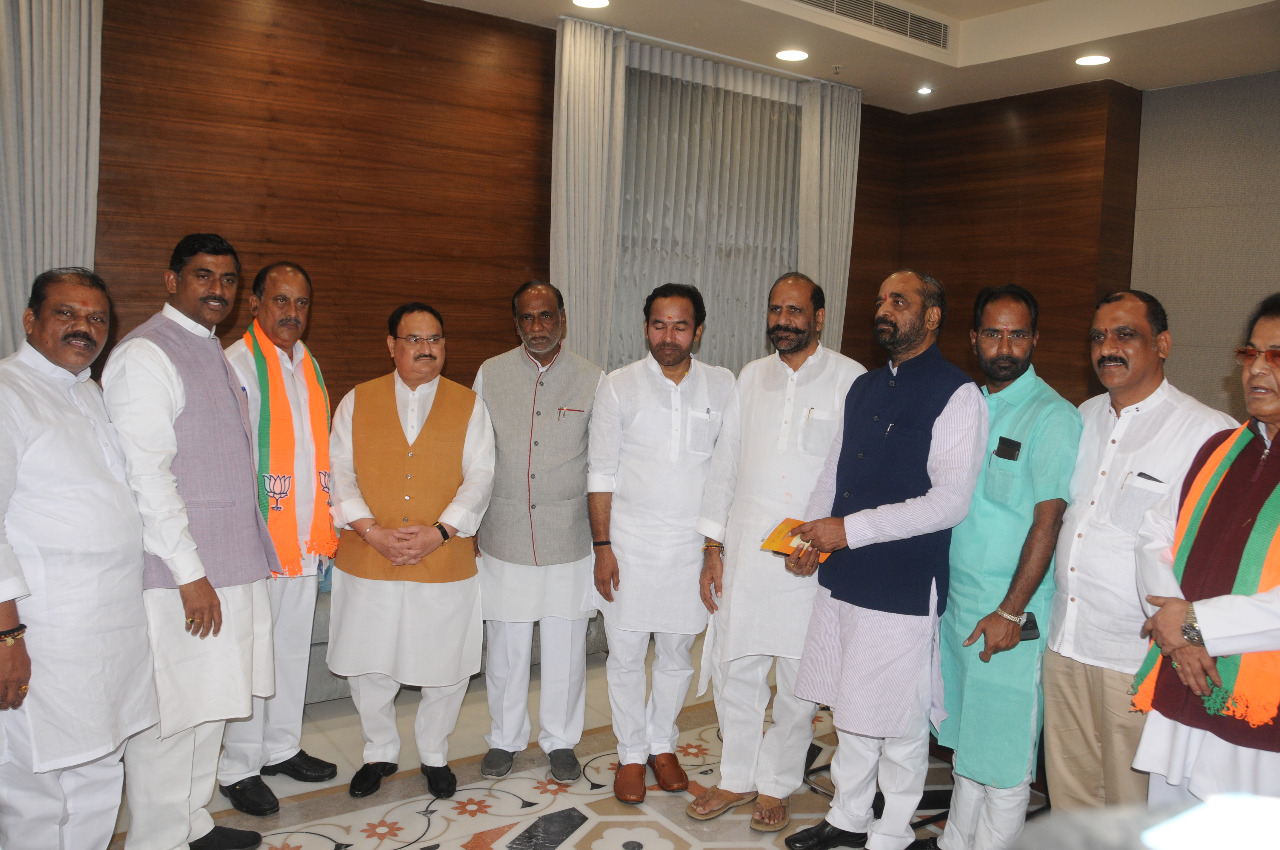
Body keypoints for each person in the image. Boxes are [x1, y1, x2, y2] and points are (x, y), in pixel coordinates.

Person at [784, 270, 988, 850]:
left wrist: (846, 531)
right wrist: (810, 540)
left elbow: (950, 502)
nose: (884, 309)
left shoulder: (957, 393)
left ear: (931, 317)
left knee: (896, 716)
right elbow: (835, 473)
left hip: (903, 582)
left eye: (899, 301)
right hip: (846, 573)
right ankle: (847, 818)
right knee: (851, 704)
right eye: (880, 300)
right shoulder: (865, 387)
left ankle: (892, 831)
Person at [104, 234, 277, 850]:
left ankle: (192, 825)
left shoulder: (215, 353)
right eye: (204, 276)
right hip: (181, 578)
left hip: (230, 565)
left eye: (229, 280)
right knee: (173, 719)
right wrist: (188, 573)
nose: (218, 290)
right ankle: (157, 839)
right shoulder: (145, 355)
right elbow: (146, 477)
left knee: (215, 706)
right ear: (171, 280)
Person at [1043, 290, 1234, 810]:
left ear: (1163, 344)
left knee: (1133, 809)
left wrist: (1194, 637)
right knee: (1072, 801)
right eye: (1099, 336)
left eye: (1125, 334)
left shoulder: (1208, 433)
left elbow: (1219, 561)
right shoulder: (1080, 418)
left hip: (1140, 656)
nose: (1109, 347)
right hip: (1067, 642)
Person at [690, 272, 865, 832]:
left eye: (794, 311)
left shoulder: (849, 379)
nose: (782, 320)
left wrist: (828, 544)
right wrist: (712, 547)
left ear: (818, 317)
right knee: (736, 669)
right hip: (744, 550)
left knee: (797, 679)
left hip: (811, 557)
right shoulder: (752, 376)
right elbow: (725, 464)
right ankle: (736, 777)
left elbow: (853, 477)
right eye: (775, 310)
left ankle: (778, 784)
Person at [0, 269, 157, 849]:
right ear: (30, 321)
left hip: (109, 629)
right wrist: (6, 639)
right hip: (44, 633)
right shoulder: (8, 392)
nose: (84, 329)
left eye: (96, 319)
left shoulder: (87, 390)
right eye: (67, 314)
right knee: (36, 783)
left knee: (99, 769)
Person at [920, 285, 1082, 850]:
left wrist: (1010, 611)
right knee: (968, 744)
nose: (1005, 345)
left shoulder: (1053, 417)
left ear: (1035, 339)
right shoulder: (967, 406)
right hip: (959, 606)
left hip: (1010, 615)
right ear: (974, 339)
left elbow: (1049, 521)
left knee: (1007, 758)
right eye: (993, 332)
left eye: (1017, 333)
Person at [327, 302, 495, 800]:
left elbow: (481, 477)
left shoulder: (470, 405)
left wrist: (440, 532)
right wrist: (371, 531)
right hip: (368, 554)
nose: (427, 348)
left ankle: (434, 755)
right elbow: (339, 474)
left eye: (436, 339)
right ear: (392, 345)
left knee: (444, 662)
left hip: (443, 557)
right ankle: (378, 751)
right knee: (369, 661)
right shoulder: (357, 401)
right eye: (415, 339)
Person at [1130, 293, 1280, 803]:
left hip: (1261, 717)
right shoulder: (1221, 448)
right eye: (1251, 353)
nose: (1258, 369)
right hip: (1186, 683)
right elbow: (1153, 534)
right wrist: (1179, 629)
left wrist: (1193, 624)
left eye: (1276, 356)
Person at [588, 283, 735, 804]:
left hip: (689, 549)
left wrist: (712, 550)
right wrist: (603, 546)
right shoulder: (618, 385)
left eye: (679, 326)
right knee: (626, 653)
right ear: (645, 326)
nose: (667, 336)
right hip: (628, 544)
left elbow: (724, 473)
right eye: (657, 324)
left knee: (676, 652)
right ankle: (631, 753)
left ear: (698, 330)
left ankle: (662, 744)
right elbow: (600, 472)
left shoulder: (722, 385)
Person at [218, 262, 339, 816]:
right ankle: (238, 767)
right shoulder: (237, 363)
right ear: (255, 304)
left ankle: (280, 746)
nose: (293, 313)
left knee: (289, 650)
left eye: (302, 303)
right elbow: (228, 458)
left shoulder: (306, 364)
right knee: (253, 655)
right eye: (281, 301)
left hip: (304, 539)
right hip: (259, 540)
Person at [473, 281, 602, 783]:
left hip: (568, 536)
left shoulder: (593, 379)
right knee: (505, 644)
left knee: (566, 643)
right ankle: (504, 738)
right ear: (517, 323)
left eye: (546, 317)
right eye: (527, 319)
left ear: (562, 319)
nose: (537, 328)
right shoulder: (491, 374)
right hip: (504, 532)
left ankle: (561, 741)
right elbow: (478, 456)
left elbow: (602, 462)